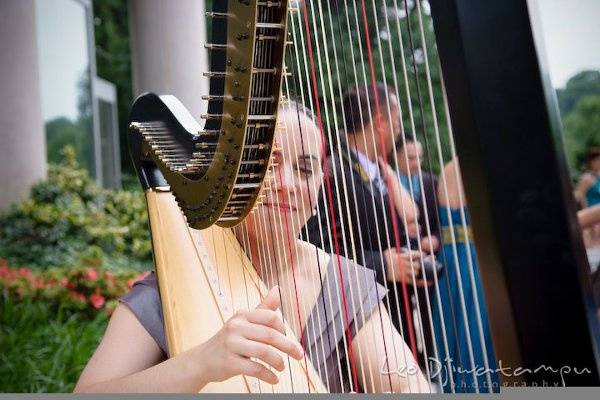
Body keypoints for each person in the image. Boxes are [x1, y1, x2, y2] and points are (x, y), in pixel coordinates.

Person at [74, 103, 429, 393]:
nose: (287, 184)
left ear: (322, 188)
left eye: (305, 170)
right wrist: (200, 363)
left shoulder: (344, 282)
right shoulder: (167, 291)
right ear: (232, 178)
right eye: (266, 164)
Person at [305, 83, 435, 370]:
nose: (399, 131)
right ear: (380, 122)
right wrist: (383, 264)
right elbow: (316, 252)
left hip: (398, 317)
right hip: (362, 333)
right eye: (397, 122)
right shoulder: (331, 173)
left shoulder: (380, 171)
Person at [433, 158, 499, 393]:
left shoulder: (448, 168)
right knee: (477, 333)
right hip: (474, 263)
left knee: (461, 334)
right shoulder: (474, 165)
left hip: (453, 263)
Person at [394, 134, 440, 254]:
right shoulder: (384, 184)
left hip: (431, 258)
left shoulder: (433, 182)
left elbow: (442, 220)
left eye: (420, 158)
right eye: (411, 158)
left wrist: (436, 239)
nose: (417, 163)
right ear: (396, 157)